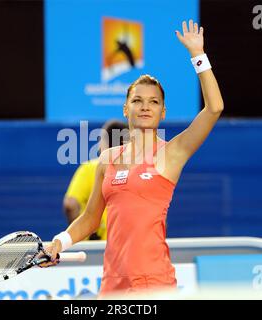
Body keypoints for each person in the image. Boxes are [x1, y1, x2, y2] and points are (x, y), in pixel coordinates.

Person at [40, 20, 224, 298]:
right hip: (112, 286)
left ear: (163, 112)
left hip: (154, 284)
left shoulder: (171, 154)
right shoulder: (108, 159)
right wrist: (59, 242)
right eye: (138, 100)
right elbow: (90, 219)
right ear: (126, 108)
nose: (145, 107)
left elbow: (214, 108)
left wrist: (198, 55)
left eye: (154, 102)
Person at [63, 120, 128, 240]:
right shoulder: (137, 170)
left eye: (100, 139)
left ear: (106, 142)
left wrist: (87, 234)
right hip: (125, 245)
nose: (98, 145)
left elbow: (70, 204)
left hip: (93, 248)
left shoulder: (89, 168)